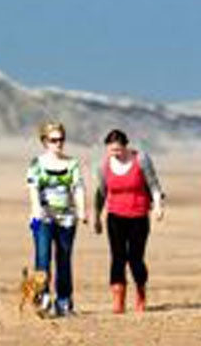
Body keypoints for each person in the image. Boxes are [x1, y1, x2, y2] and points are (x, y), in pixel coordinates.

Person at [92, 127, 163, 313]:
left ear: (125, 147)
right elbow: (101, 192)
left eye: (117, 150)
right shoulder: (103, 166)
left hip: (139, 216)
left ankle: (140, 290)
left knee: (135, 258)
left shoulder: (141, 160)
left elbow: (154, 184)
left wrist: (158, 206)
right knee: (117, 257)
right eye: (110, 150)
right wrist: (97, 216)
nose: (114, 153)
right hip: (115, 216)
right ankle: (118, 297)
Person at [25, 121, 85, 316]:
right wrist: (36, 210)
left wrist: (82, 210)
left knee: (64, 259)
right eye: (53, 140)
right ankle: (42, 299)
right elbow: (33, 188)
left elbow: (78, 188)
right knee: (42, 258)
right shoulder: (37, 164)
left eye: (61, 140)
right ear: (44, 141)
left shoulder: (72, 164)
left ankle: (64, 301)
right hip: (43, 218)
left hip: (66, 218)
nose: (58, 144)